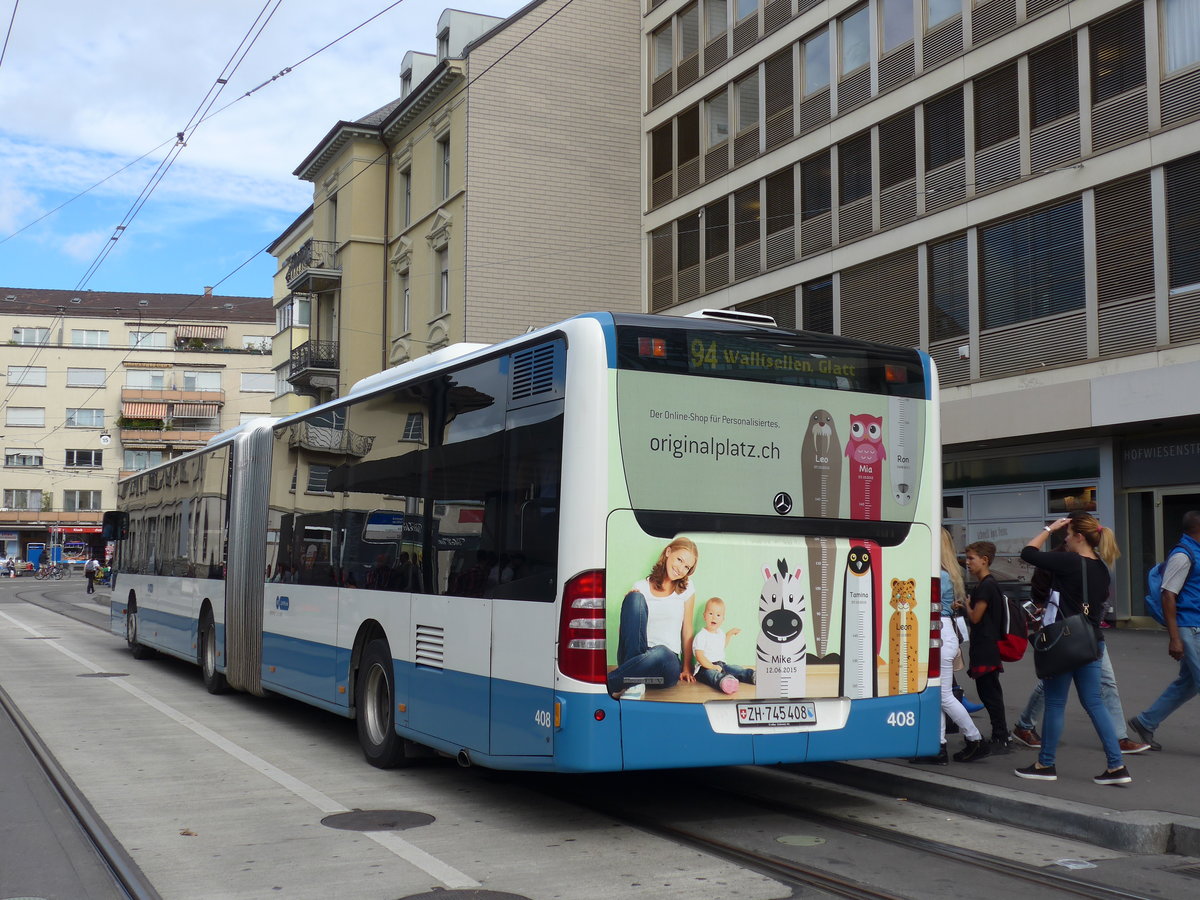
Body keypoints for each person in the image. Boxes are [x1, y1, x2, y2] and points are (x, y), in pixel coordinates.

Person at [1015, 513, 1131, 785]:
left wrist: (1048, 528)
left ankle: (1045, 764)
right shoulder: (1102, 567)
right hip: (1091, 642)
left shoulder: (1069, 561)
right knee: (1094, 703)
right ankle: (1117, 766)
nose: (1064, 538)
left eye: (1067, 534)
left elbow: (1028, 553)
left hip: (1064, 644)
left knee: (1055, 703)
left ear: (1079, 536)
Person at [1012, 548, 1148, 754]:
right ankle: (1028, 731)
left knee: (1101, 684)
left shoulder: (1092, 563)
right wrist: (1043, 605)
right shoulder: (1064, 561)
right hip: (1065, 632)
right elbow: (1037, 575)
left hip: (1085, 633)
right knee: (1056, 688)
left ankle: (1118, 739)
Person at [1128, 510, 1200, 752]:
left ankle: (1145, 721)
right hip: (1189, 628)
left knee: (1188, 684)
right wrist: (1175, 639)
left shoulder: (1195, 553)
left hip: (1195, 626)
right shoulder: (1183, 555)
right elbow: (1168, 595)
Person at [914, 529, 988, 764]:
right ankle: (939, 746)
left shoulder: (936, 573)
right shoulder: (950, 572)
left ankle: (975, 739)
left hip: (938, 632)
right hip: (946, 633)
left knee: (943, 695)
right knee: (939, 694)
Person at [607, 537, 699, 699]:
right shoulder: (640, 587)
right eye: (679, 560)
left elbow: (687, 629)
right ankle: (634, 682)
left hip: (664, 666)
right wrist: (630, 607)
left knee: (662, 652)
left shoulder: (687, 589)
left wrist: (686, 667)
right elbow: (626, 633)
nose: (680, 569)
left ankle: (612, 682)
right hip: (635, 656)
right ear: (668, 552)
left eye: (687, 567)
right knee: (634, 599)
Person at [956, 541, 1012, 755]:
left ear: (984, 560)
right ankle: (1001, 733)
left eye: (971, 558)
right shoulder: (990, 584)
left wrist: (967, 606)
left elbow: (976, 617)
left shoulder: (985, 586)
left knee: (989, 693)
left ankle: (1001, 735)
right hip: (989, 645)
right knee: (991, 692)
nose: (968, 563)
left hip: (985, 646)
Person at [692, 596, 755, 694]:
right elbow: (699, 656)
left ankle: (752, 676)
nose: (714, 617)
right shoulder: (701, 635)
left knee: (735, 669)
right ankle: (725, 682)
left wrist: (729, 634)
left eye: (718, 615)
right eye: (710, 613)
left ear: (722, 619)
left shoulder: (720, 633)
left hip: (721, 664)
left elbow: (722, 645)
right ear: (704, 616)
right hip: (704, 667)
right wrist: (712, 666)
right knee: (712, 675)